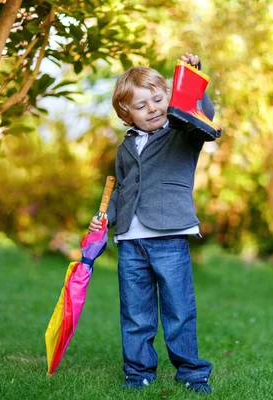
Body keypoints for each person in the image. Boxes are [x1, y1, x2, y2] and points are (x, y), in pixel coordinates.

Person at [88, 53, 219, 394]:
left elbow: (205, 113)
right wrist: (105, 218)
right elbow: (120, 190)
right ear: (125, 114)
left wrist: (191, 78)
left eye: (158, 99)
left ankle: (191, 372)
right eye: (141, 105)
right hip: (130, 239)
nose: (152, 109)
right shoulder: (125, 148)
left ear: (169, 98)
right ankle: (138, 372)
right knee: (135, 312)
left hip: (170, 236)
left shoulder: (183, 132)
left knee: (178, 310)